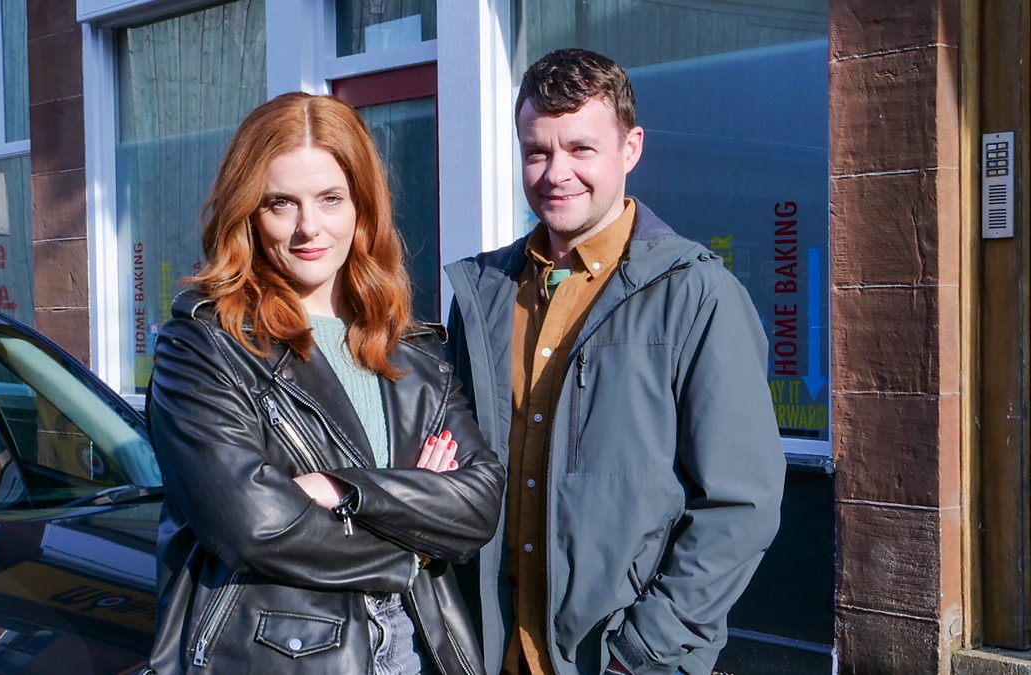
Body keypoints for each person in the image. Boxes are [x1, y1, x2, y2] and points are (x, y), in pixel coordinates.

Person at [444, 48, 786, 675]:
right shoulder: (482, 292)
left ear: (631, 148)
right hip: (492, 651)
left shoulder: (696, 294)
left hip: (618, 659)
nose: (556, 173)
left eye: (581, 149)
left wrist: (642, 652)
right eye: (537, 151)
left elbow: (740, 506)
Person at [148, 92, 505, 675]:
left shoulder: (412, 349)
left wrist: (341, 489)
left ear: (362, 207)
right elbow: (255, 526)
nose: (308, 227)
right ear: (249, 213)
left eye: (330, 199)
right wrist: (413, 538)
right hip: (283, 655)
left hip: (418, 648)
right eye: (280, 204)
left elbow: (479, 505)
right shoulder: (204, 345)